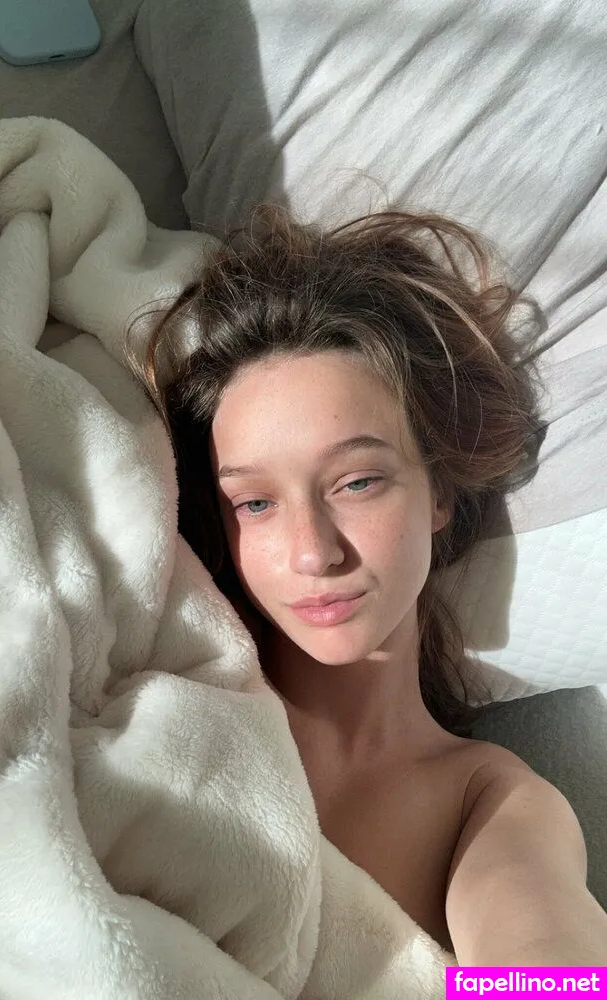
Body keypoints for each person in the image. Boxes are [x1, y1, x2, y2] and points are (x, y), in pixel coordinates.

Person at [129, 204, 607, 965]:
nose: (312, 554)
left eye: (356, 482)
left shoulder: (486, 800)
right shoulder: (163, 695)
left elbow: (546, 967)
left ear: (439, 492)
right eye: (255, 503)